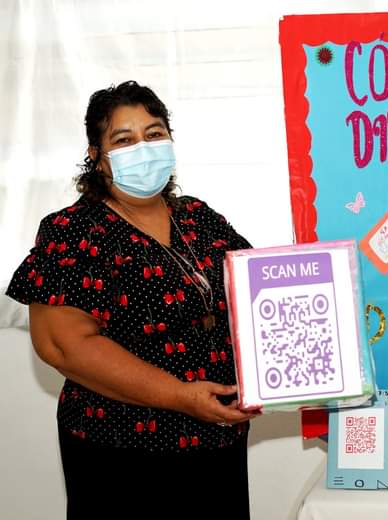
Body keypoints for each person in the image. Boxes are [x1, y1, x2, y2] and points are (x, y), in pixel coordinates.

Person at [6, 80, 261, 519]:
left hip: (217, 438)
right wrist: (182, 396)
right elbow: (64, 346)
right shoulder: (73, 232)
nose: (143, 147)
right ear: (95, 156)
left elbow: (261, 296)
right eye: (123, 139)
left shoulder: (199, 218)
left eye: (154, 133)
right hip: (123, 451)